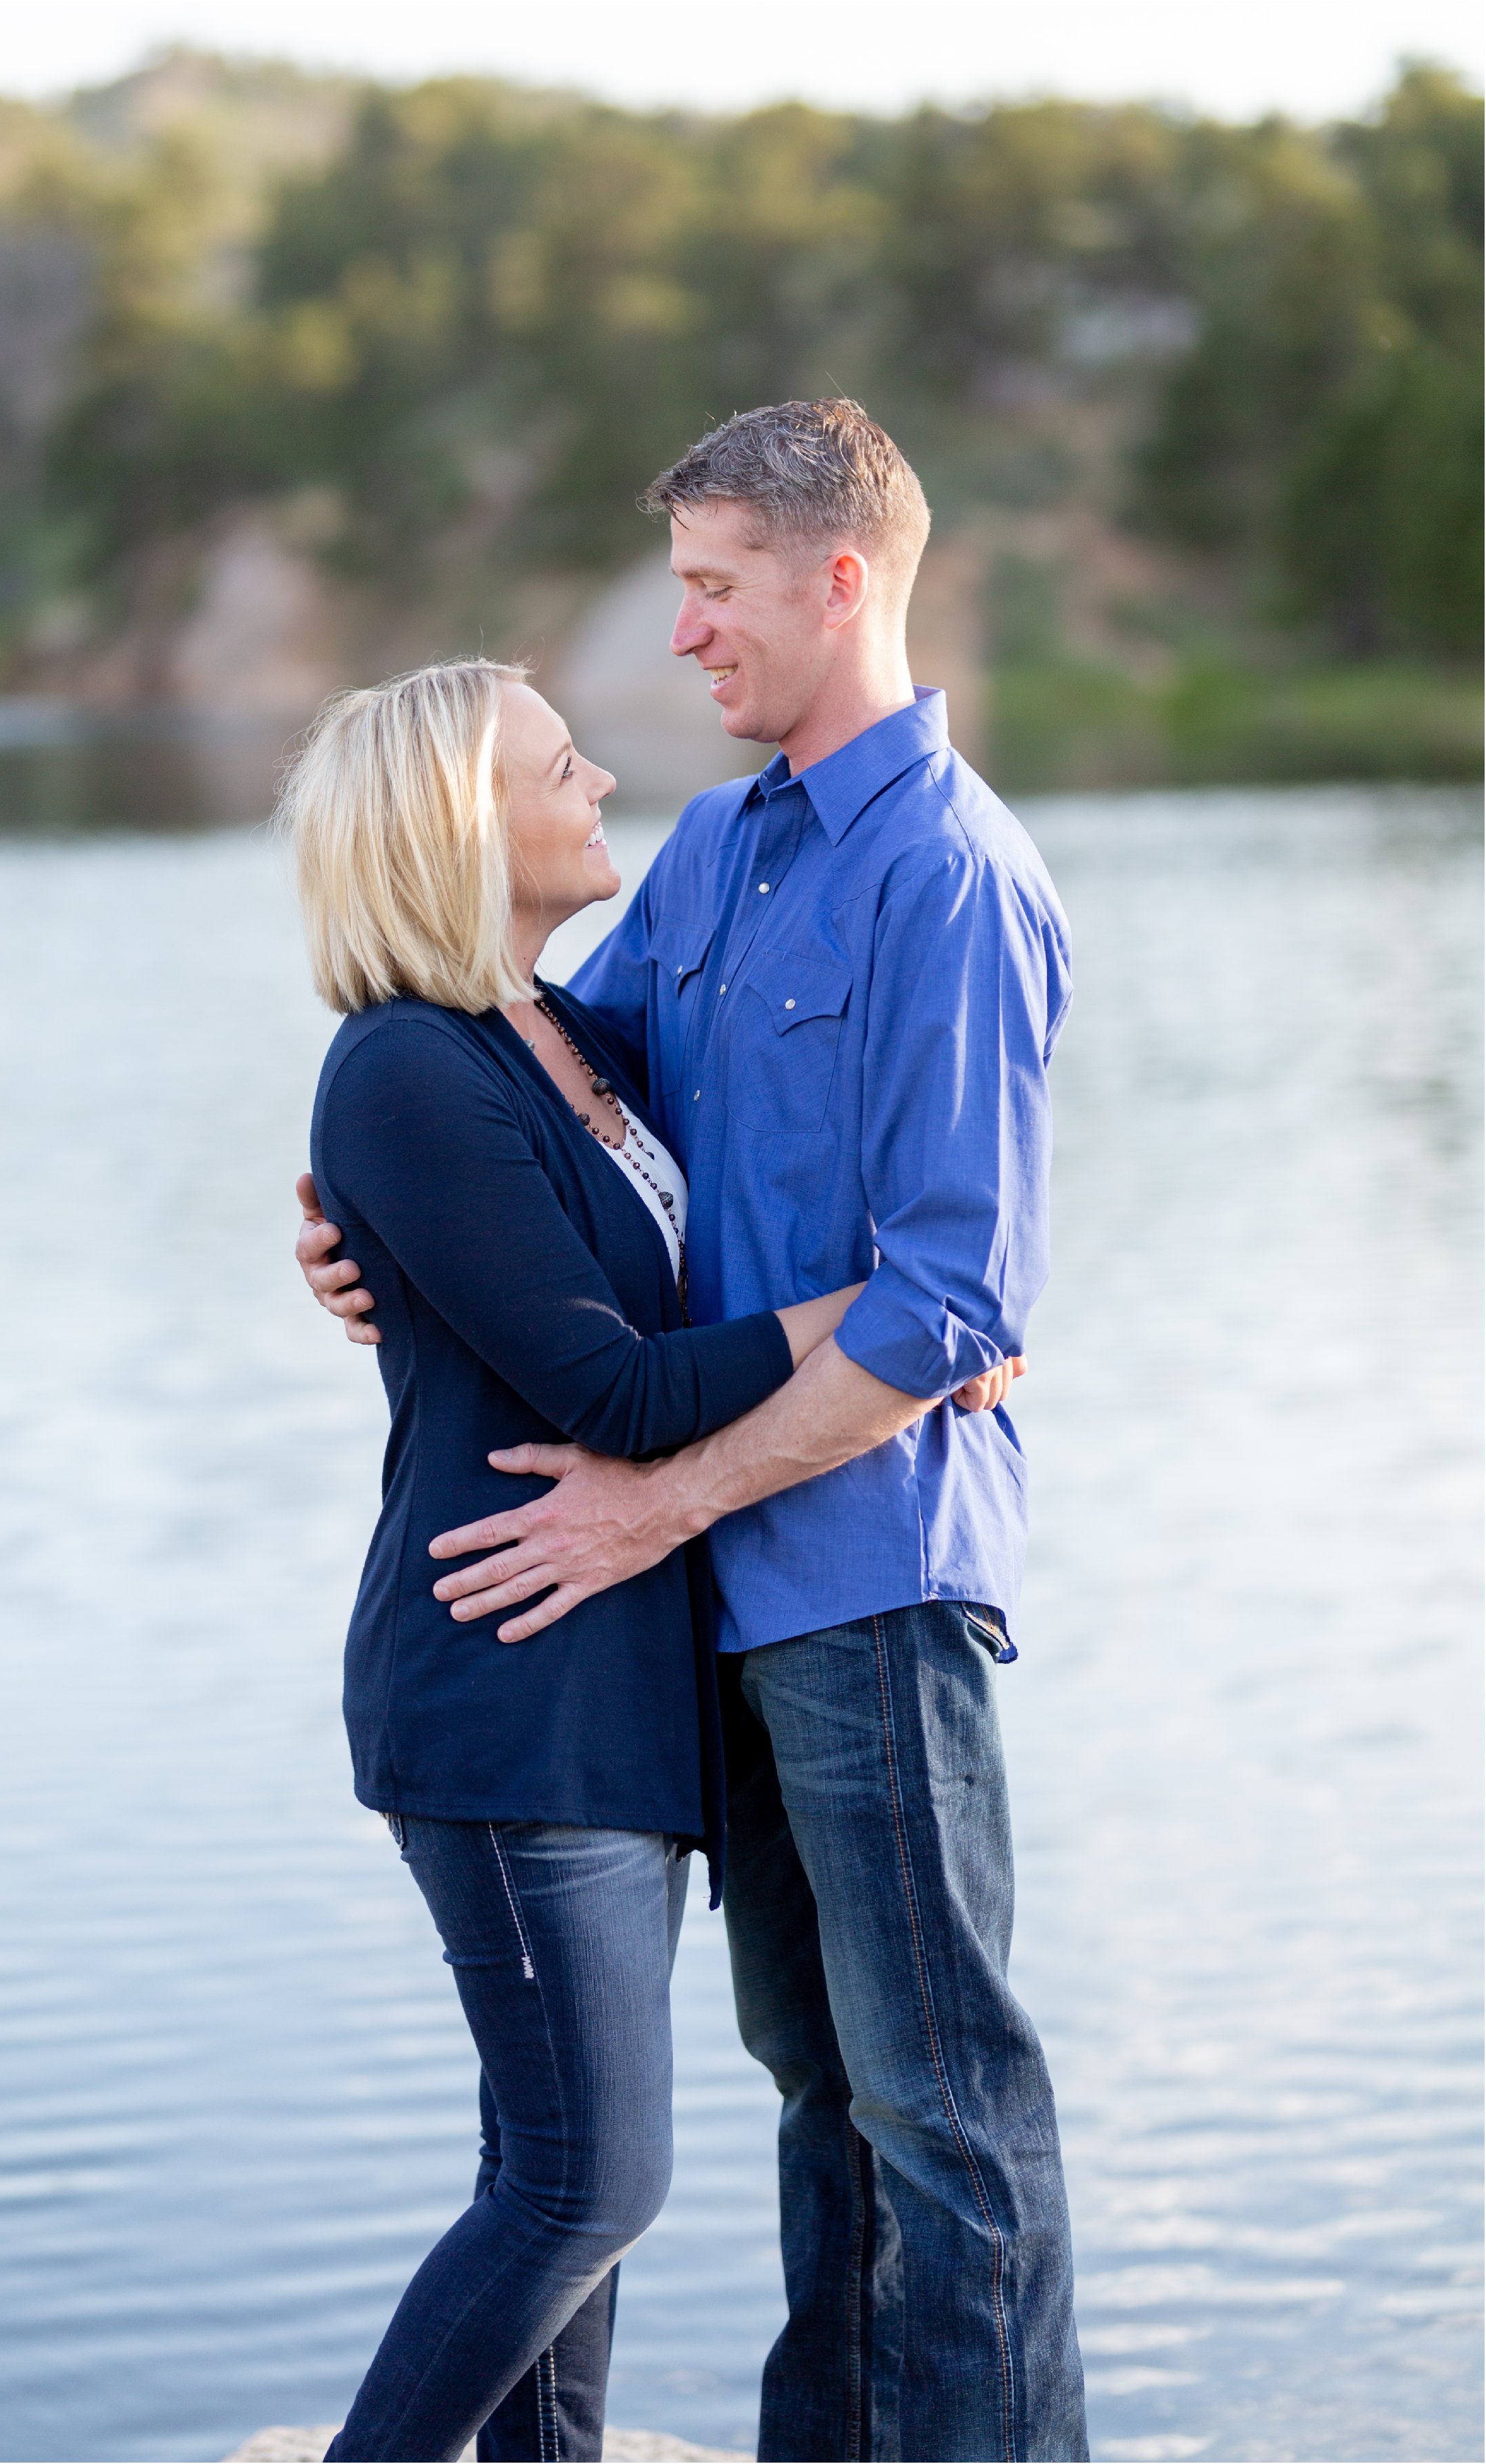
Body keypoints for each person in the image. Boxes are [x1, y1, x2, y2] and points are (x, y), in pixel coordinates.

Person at [299, 399, 1086, 2463]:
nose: (684, 638)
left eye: (719, 588)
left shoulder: (956, 877)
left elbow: (954, 1301)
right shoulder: (723, 854)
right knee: (818, 2094)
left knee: (943, 2100)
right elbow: (547, 1089)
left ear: (842, 582)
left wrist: (662, 1503)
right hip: (707, 1594)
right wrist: (362, 1210)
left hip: (868, 1568)